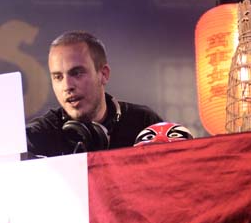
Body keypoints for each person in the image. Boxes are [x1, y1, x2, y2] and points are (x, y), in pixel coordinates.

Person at [26, 31, 163, 156]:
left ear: (103, 74)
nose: (67, 86)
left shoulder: (144, 123)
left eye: (77, 73)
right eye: (58, 77)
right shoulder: (37, 136)